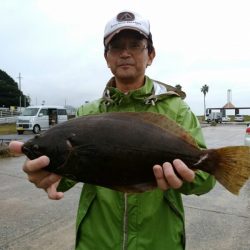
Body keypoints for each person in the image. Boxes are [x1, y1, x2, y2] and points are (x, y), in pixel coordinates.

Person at [10, 11, 215, 250]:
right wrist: (45, 177)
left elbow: (206, 179)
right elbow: (68, 176)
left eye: (136, 45)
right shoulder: (88, 112)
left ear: (150, 55)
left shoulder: (177, 109)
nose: (125, 53)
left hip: (160, 241)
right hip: (96, 241)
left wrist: (187, 179)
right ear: (107, 58)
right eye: (116, 47)